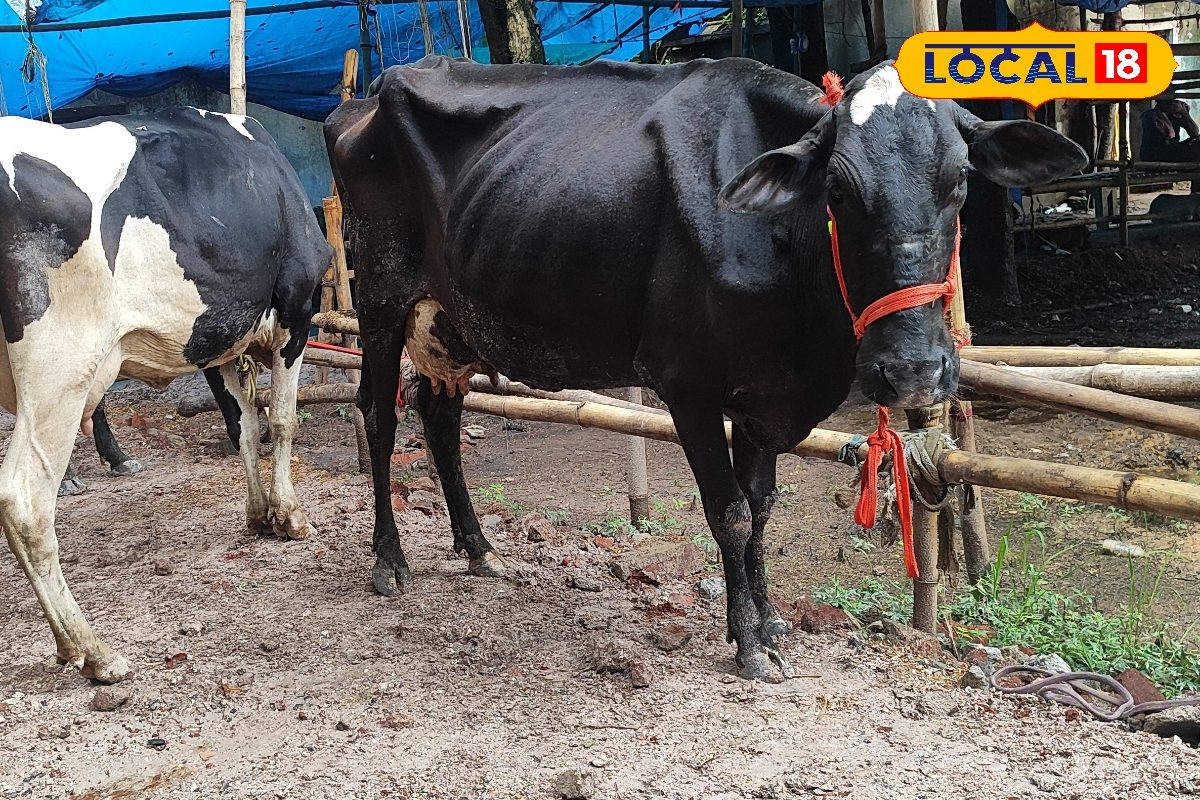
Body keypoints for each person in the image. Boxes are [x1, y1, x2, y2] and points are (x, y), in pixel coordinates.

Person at [1140, 98, 1200, 163]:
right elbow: (1166, 139)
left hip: (1173, 150)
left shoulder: (1177, 113)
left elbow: (1194, 133)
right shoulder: (1151, 116)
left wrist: (1184, 114)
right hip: (1156, 155)